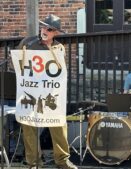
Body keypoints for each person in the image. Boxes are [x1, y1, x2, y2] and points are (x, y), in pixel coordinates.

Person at [17, 14, 77, 169]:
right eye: (43, 26)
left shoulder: (59, 47)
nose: (45, 30)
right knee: (28, 125)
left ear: (55, 32)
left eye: (49, 29)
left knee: (58, 124)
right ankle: (34, 163)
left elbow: (59, 72)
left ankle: (62, 160)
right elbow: (16, 63)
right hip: (30, 91)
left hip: (49, 92)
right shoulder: (27, 43)